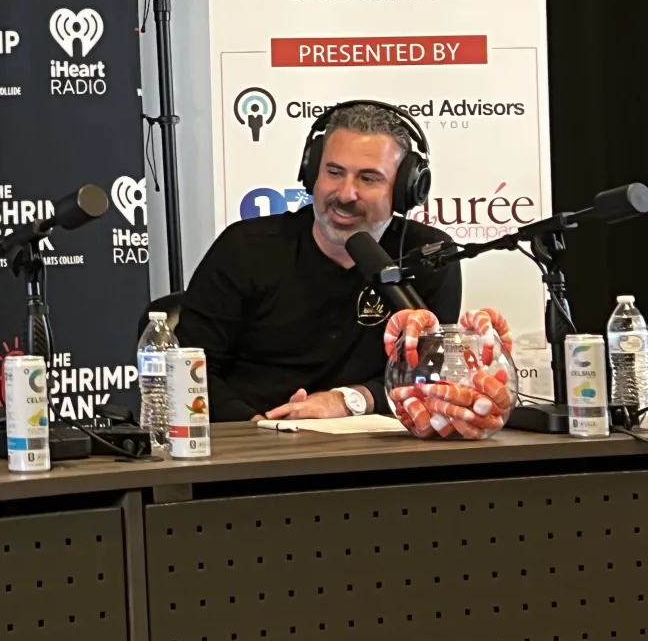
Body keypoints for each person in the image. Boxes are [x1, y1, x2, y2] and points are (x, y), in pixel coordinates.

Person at [176, 100, 461, 423]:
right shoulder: (245, 249)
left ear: (405, 191)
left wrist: (349, 400)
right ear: (312, 172)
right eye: (334, 172)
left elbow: (428, 373)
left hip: (378, 455)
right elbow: (191, 369)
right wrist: (260, 429)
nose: (345, 193)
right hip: (252, 445)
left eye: (368, 178)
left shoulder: (429, 255)